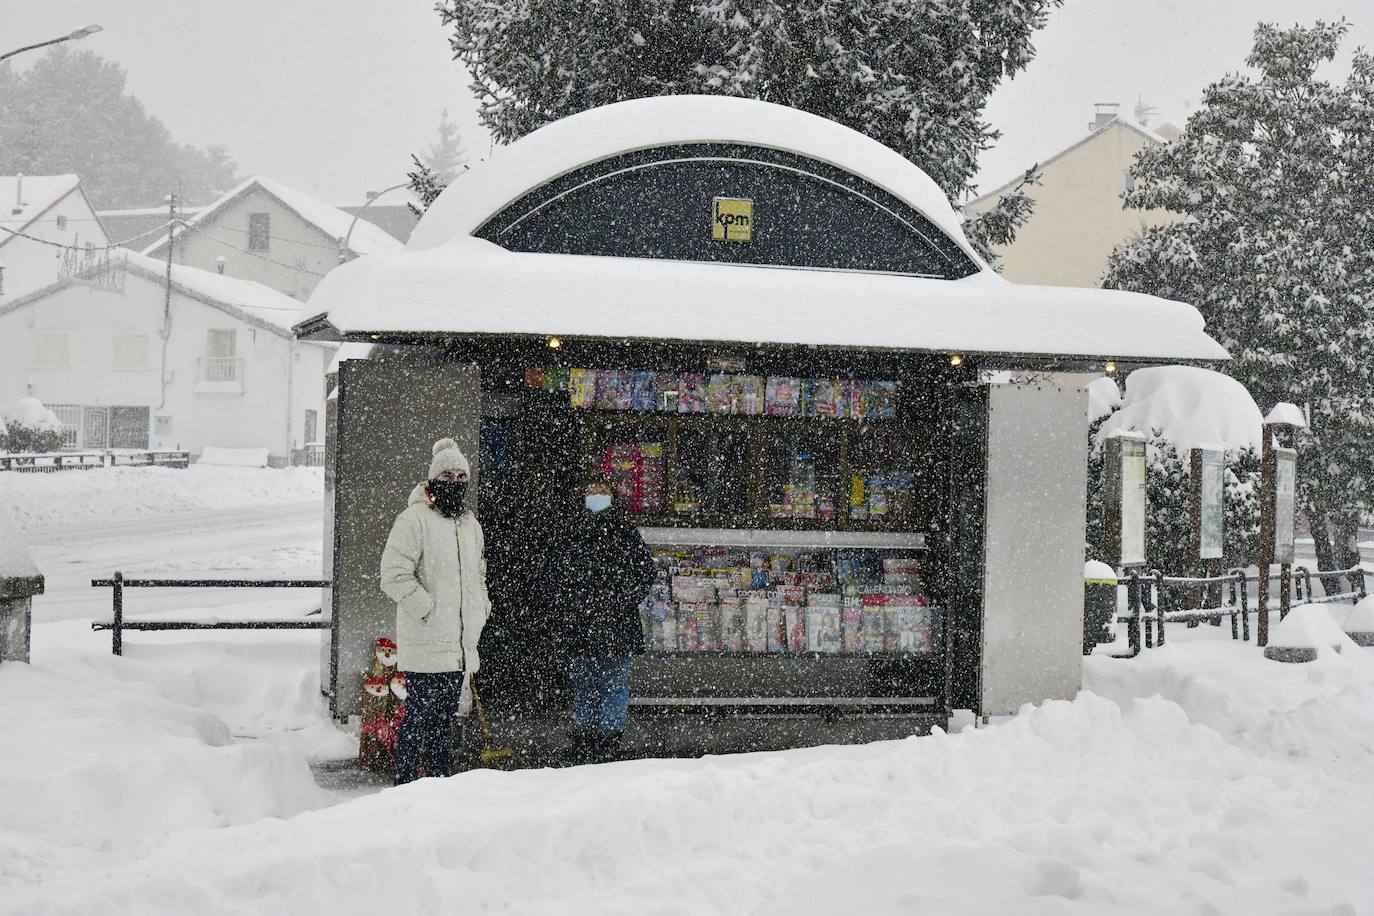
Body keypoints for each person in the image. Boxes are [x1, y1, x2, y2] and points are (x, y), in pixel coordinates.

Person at [380, 437, 491, 785]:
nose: (454, 482)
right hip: (426, 642)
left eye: (461, 476)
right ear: (432, 478)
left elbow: (478, 574)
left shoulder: (470, 525)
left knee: (445, 721)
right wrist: (428, 610)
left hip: (457, 646)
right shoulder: (414, 520)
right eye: (446, 474)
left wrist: (480, 608)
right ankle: (408, 782)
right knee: (420, 716)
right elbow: (393, 575)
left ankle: (439, 784)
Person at [548, 473, 657, 764]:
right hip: (582, 621)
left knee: (613, 681)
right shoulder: (570, 530)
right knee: (585, 681)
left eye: (602, 490)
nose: (596, 495)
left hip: (614, 622)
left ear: (612, 495)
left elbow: (646, 572)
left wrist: (621, 600)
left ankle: (608, 738)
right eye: (591, 490)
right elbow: (549, 574)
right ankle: (586, 736)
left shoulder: (624, 531)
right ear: (582, 497)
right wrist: (568, 602)